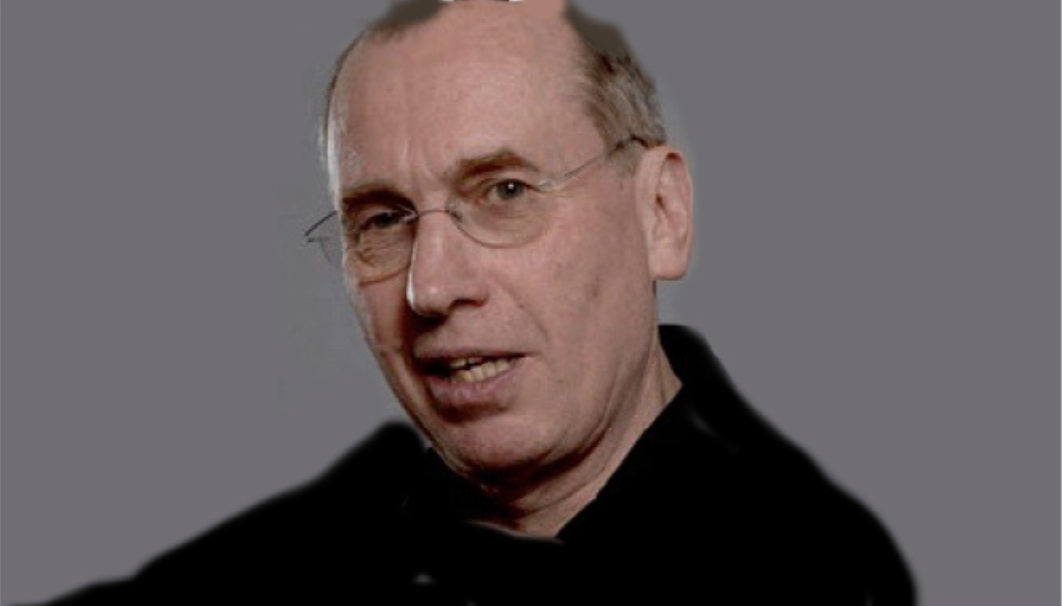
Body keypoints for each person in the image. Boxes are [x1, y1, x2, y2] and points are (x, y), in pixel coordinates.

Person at [31, 0, 916, 604]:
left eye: (504, 193)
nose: (430, 286)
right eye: (383, 219)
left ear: (660, 214)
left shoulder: (818, 571)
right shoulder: (298, 555)